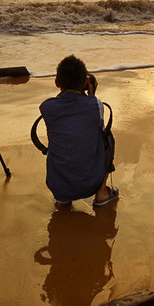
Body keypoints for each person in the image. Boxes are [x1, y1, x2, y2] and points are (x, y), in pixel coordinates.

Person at [39, 55, 118, 207]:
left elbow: (67, 113)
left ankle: (64, 198)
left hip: (58, 188)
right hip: (91, 184)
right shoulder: (95, 104)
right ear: (84, 83)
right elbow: (97, 128)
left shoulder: (47, 107)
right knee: (107, 137)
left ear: (56, 82)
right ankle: (101, 192)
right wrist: (91, 94)